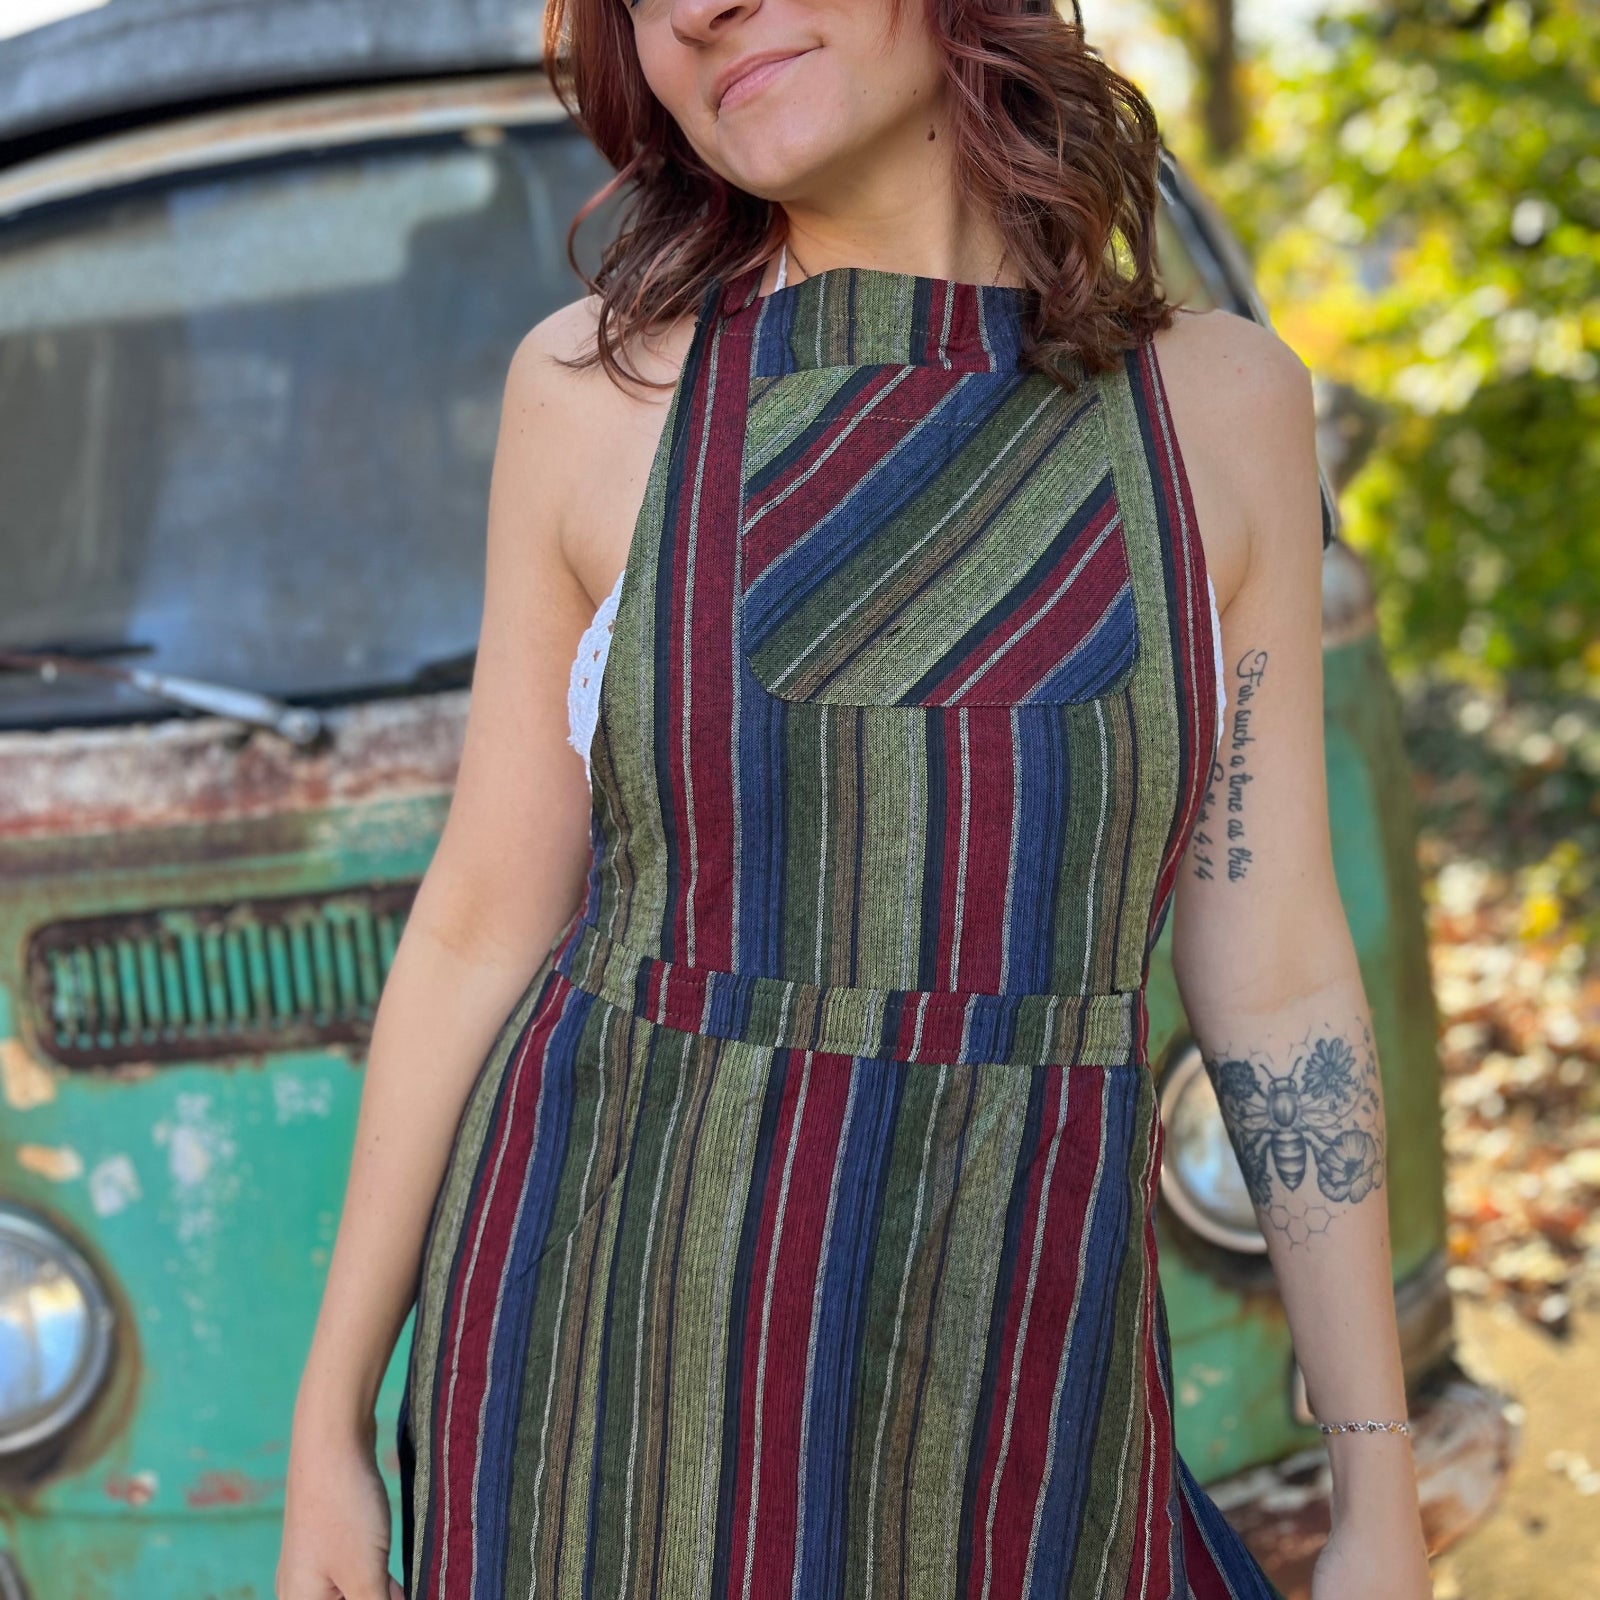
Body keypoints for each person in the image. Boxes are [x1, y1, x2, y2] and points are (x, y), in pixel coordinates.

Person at [276, 2, 1435, 1597]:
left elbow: (1280, 960)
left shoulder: (1222, 409)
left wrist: (1377, 1481)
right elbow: (482, 923)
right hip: (606, 1399)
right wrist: (327, 1424)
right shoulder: (591, 391)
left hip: (1028, 1382)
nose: (696, 10)